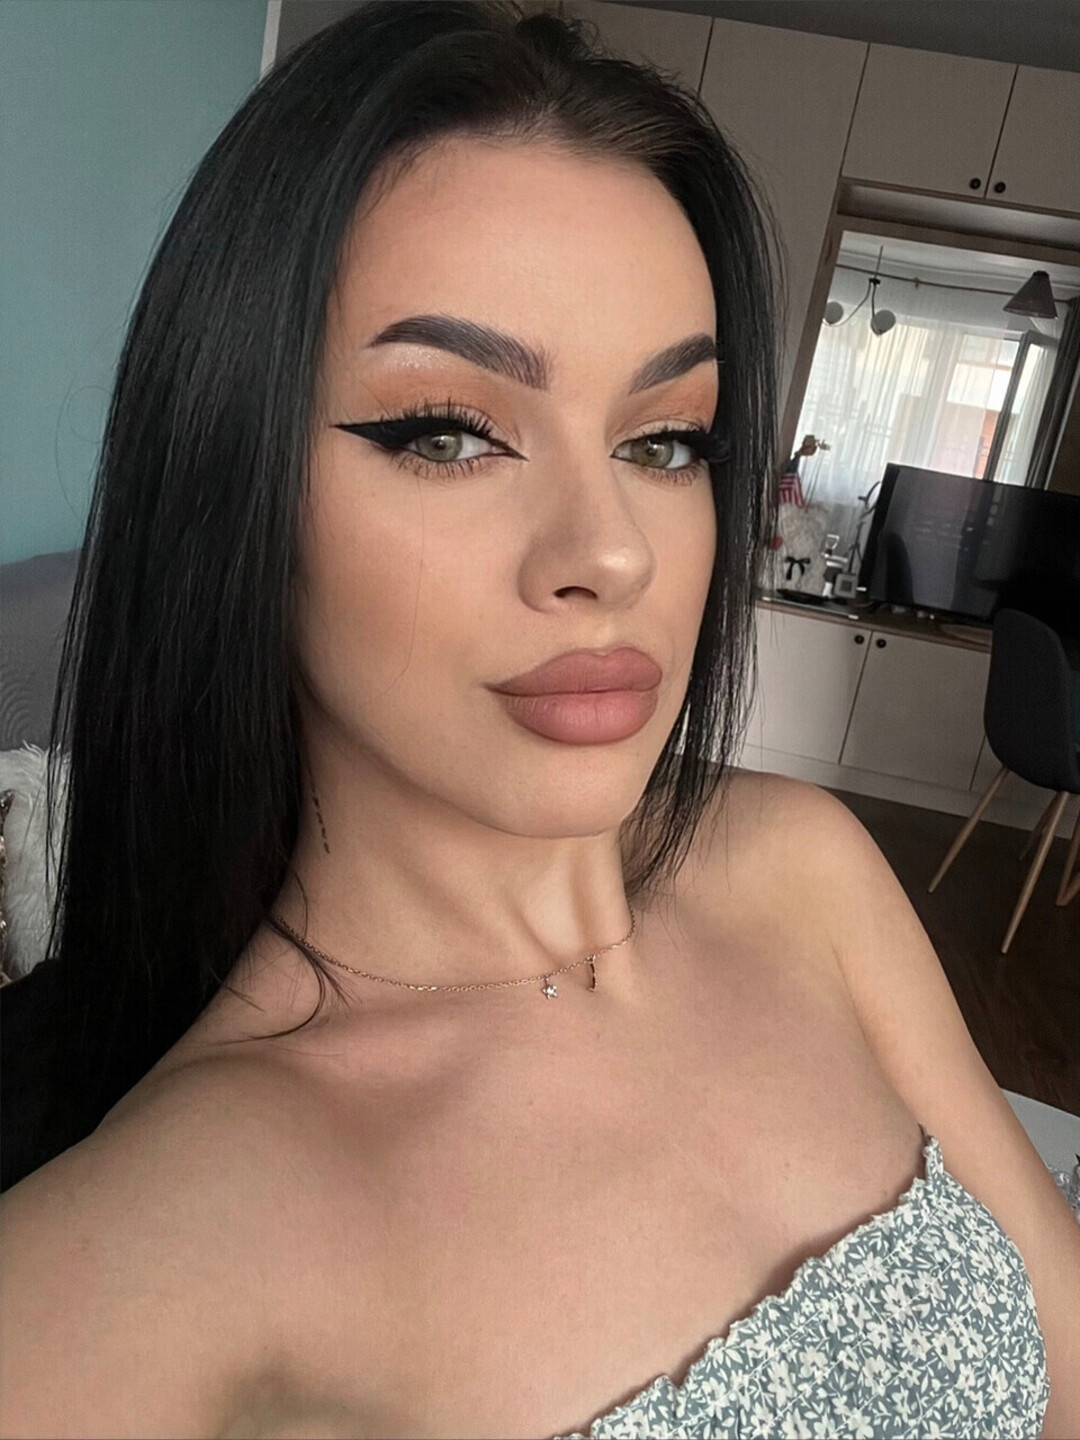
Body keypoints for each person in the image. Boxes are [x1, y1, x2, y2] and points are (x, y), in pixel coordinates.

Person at [1, 4, 1077, 1437]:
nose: (613, 551)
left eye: (665, 440)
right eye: (449, 433)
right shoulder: (163, 1244)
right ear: (232, 490)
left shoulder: (803, 870)